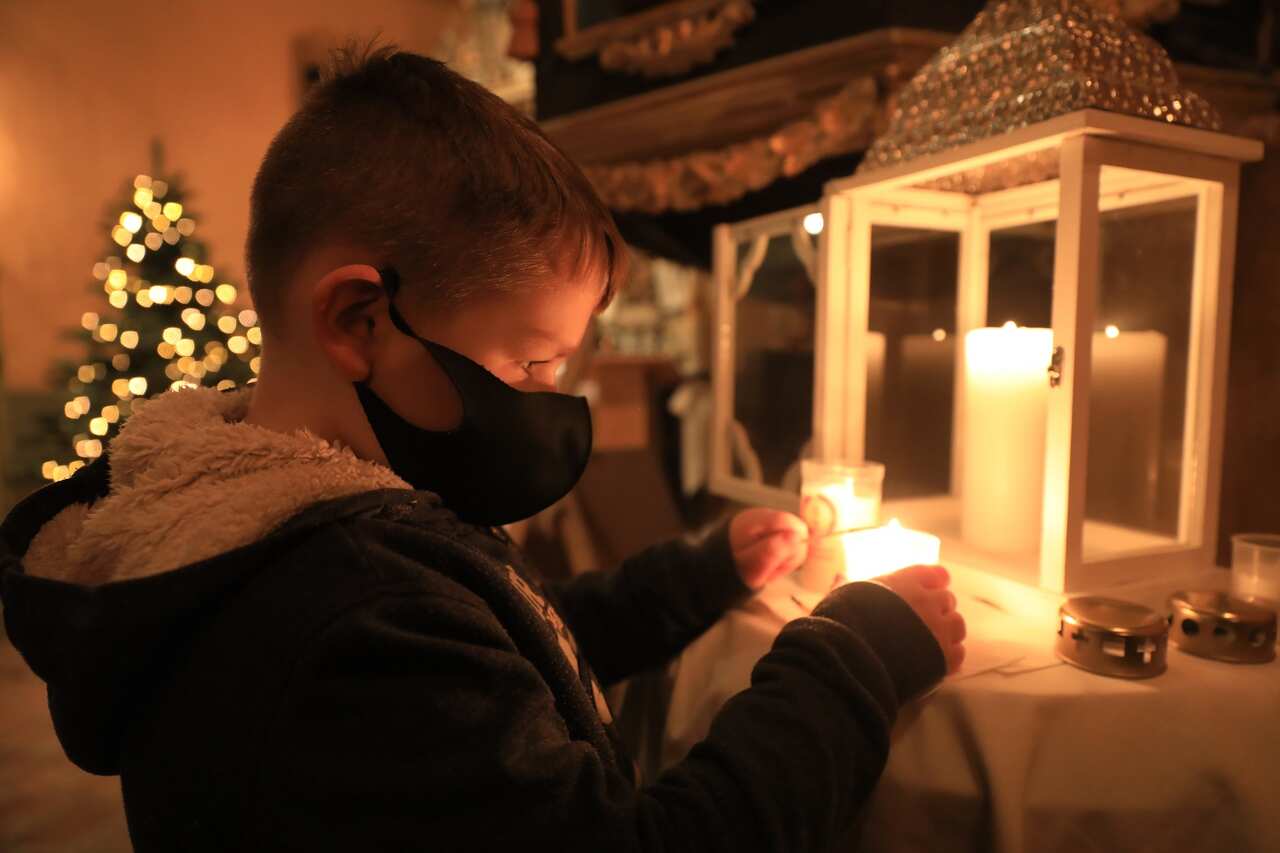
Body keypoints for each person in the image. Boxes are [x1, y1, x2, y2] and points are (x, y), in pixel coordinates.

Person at [0, 45, 965, 852]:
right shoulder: (348, 618)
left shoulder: (330, 534)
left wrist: (699, 574)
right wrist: (851, 658)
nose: (552, 403)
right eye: (532, 362)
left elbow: (505, 639)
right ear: (360, 318)